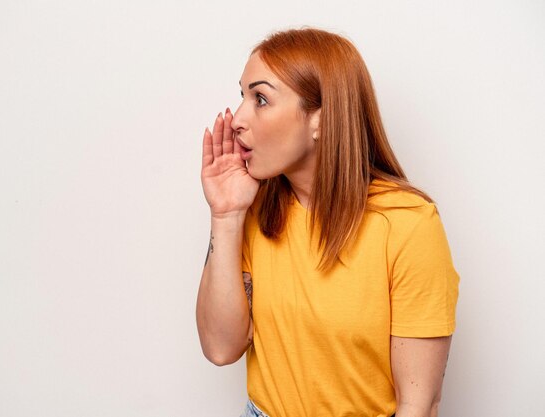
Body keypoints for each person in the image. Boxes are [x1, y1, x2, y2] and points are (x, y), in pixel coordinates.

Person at [196, 27, 459, 417]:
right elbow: (220, 348)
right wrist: (226, 215)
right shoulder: (256, 208)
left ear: (321, 119)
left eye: (261, 99)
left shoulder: (407, 224)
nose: (237, 118)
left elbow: (418, 404)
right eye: (242, 96)